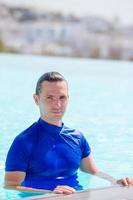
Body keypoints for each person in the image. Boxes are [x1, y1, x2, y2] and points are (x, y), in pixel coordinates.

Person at [4, 71, 133, 195]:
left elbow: (93, 171)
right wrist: (50, 193)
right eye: (50, 98)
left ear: (68, 99)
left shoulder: (77, 138)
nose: (57, 104)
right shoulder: (23, 141)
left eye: (62, 97)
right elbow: (10, 185)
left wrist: (114, 181)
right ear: (36, 99)